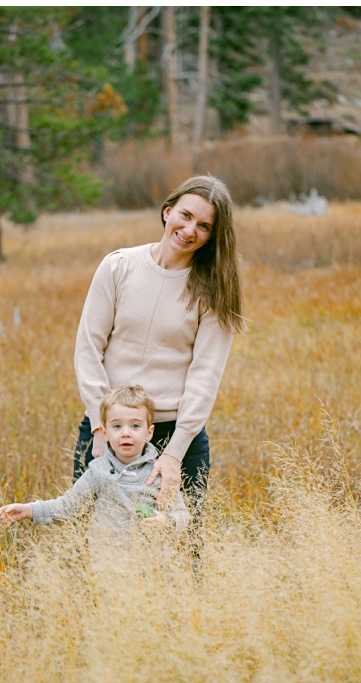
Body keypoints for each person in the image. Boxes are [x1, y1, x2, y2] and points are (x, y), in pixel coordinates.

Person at [73, 174, 246, 538]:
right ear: (167, 211)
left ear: (213, 236)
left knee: (183, 547)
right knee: (92, 539)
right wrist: (100, 425)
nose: (189, 230)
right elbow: (89, 346)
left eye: (203, 226)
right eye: (185, 216)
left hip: (173, 434)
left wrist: (174, 453)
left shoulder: (213, 291)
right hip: (111, 427)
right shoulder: (118, 266)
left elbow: (205, 377)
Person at [0, 386, 190, 566]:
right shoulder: (98, 472)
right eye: (117, 426)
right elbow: (66, 507)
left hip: (153, 570)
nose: (125, 433)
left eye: (135, 426)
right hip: (108, 570)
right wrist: (28, 510)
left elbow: (183, 515)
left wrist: (167, 522)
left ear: (149, 433)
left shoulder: (157, 474)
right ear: (104, 433)